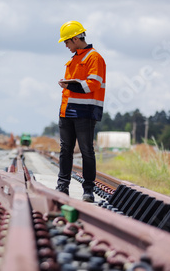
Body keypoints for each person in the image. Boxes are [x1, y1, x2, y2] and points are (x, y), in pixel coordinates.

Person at [55, 21, 106, 202]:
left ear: (76, 39)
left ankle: (88, 190)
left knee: (86, 151)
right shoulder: (74, 59)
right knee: (65, 150)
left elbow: (94, 84)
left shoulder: (94, 58)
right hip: (67, 111)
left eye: (67, 42)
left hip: (85, 111)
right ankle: (62, 187)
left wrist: (69, 85)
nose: (66, 46)